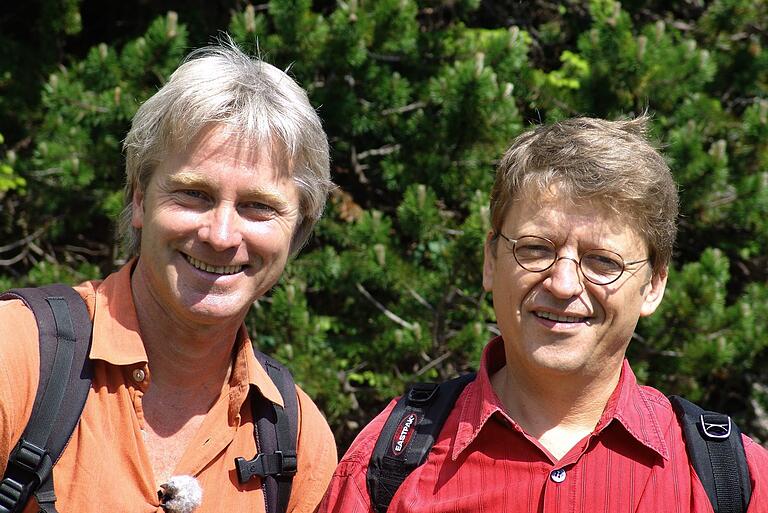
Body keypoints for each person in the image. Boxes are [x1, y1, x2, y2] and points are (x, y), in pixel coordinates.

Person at [318, 116, 768, 512]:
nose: (563, 283)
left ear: (653, 286)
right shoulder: (389, 462)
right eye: (536, 249)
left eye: (603, 261)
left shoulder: (731, 480)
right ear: (491, 261)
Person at [0, 41, 337, 512]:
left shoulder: (297, 440)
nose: (221, 235)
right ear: (140, 199)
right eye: (194, 194)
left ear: (297, 227)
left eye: (257, 207)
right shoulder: (17, 357)